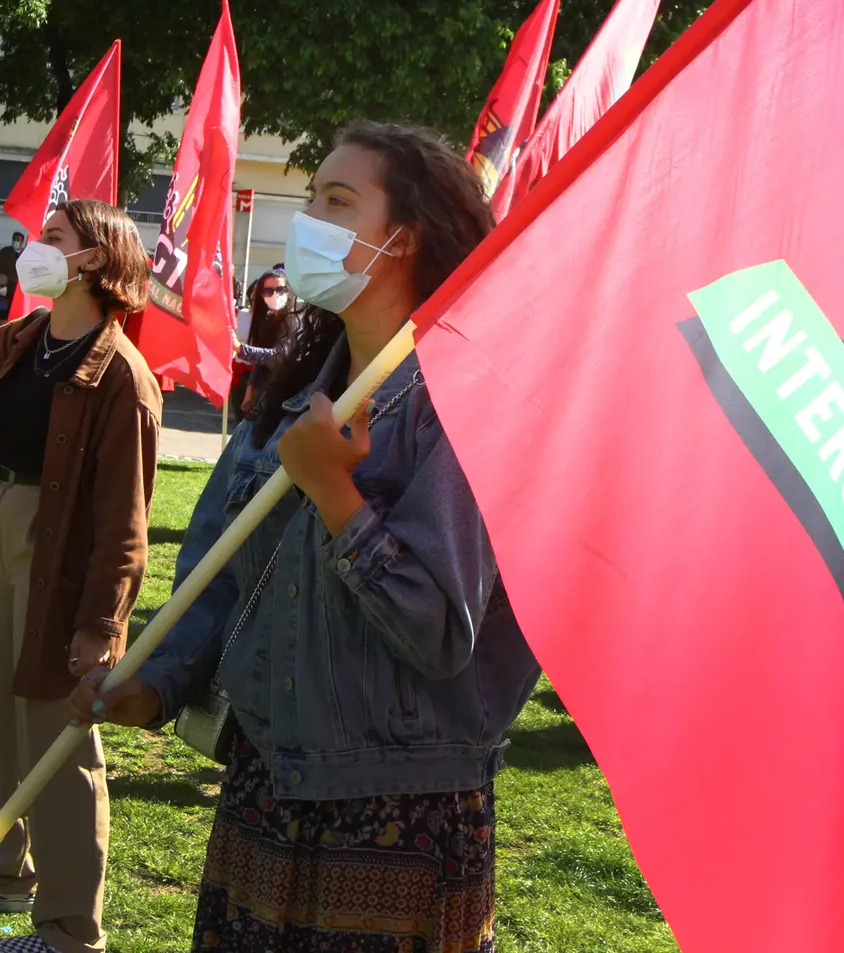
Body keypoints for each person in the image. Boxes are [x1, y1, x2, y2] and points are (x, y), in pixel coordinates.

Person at [73, 124, 540, 953]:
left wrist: (336, 494)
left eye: (337, 200)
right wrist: (157, 681)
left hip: (398, 807)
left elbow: (439, 631)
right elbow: (221, 580)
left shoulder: (464, 403)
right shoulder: (291, 395)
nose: (307, 219)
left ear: (407, 236)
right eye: (310, 196)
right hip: (268, 783)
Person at [0, 199, 161, 953]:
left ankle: (70, 931)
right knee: (5, 723)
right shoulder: (28, 336)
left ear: (96, 261)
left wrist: (100, 627)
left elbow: (124, 524)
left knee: (61, 743)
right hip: (0, 535)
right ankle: (9, 873)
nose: (35, 248)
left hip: (62, 560)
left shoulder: (122, 378)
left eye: (55, 239)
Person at [228, 267, 294, 425]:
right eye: (269, 291)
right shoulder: (267, 321)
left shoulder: (292, 318)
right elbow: (261, 363)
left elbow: (278, 356)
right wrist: (250, 390)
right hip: (265, 393)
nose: (275, 294)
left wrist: (240, 348)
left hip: (287, 395)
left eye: (280, 289)